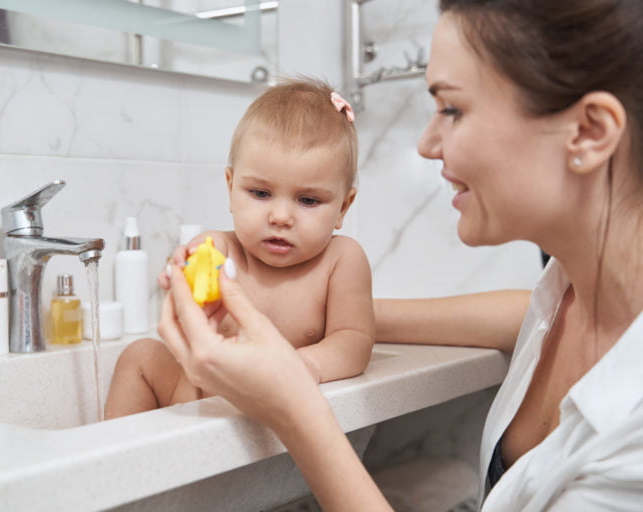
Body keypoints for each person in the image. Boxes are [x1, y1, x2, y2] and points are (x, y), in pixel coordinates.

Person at [157, 0, 643, 510]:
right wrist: (316, 312)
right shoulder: (570, 299)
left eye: (452, 109)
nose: (426, 144)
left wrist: (294, 403)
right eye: (260, 193)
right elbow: (521, 312)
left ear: (589, 132)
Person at [104, 79, 376, 419]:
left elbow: (354, 341)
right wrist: (184, 269)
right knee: (139, 355)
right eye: (260, 194)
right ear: (231, 187)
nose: (280, 217)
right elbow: (196, 261)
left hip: (272, 416)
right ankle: (117, 453)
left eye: (308, 200)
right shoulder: (220, 248)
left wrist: (303, 366)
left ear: (343, 207)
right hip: (191, 397)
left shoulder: (341, 260)